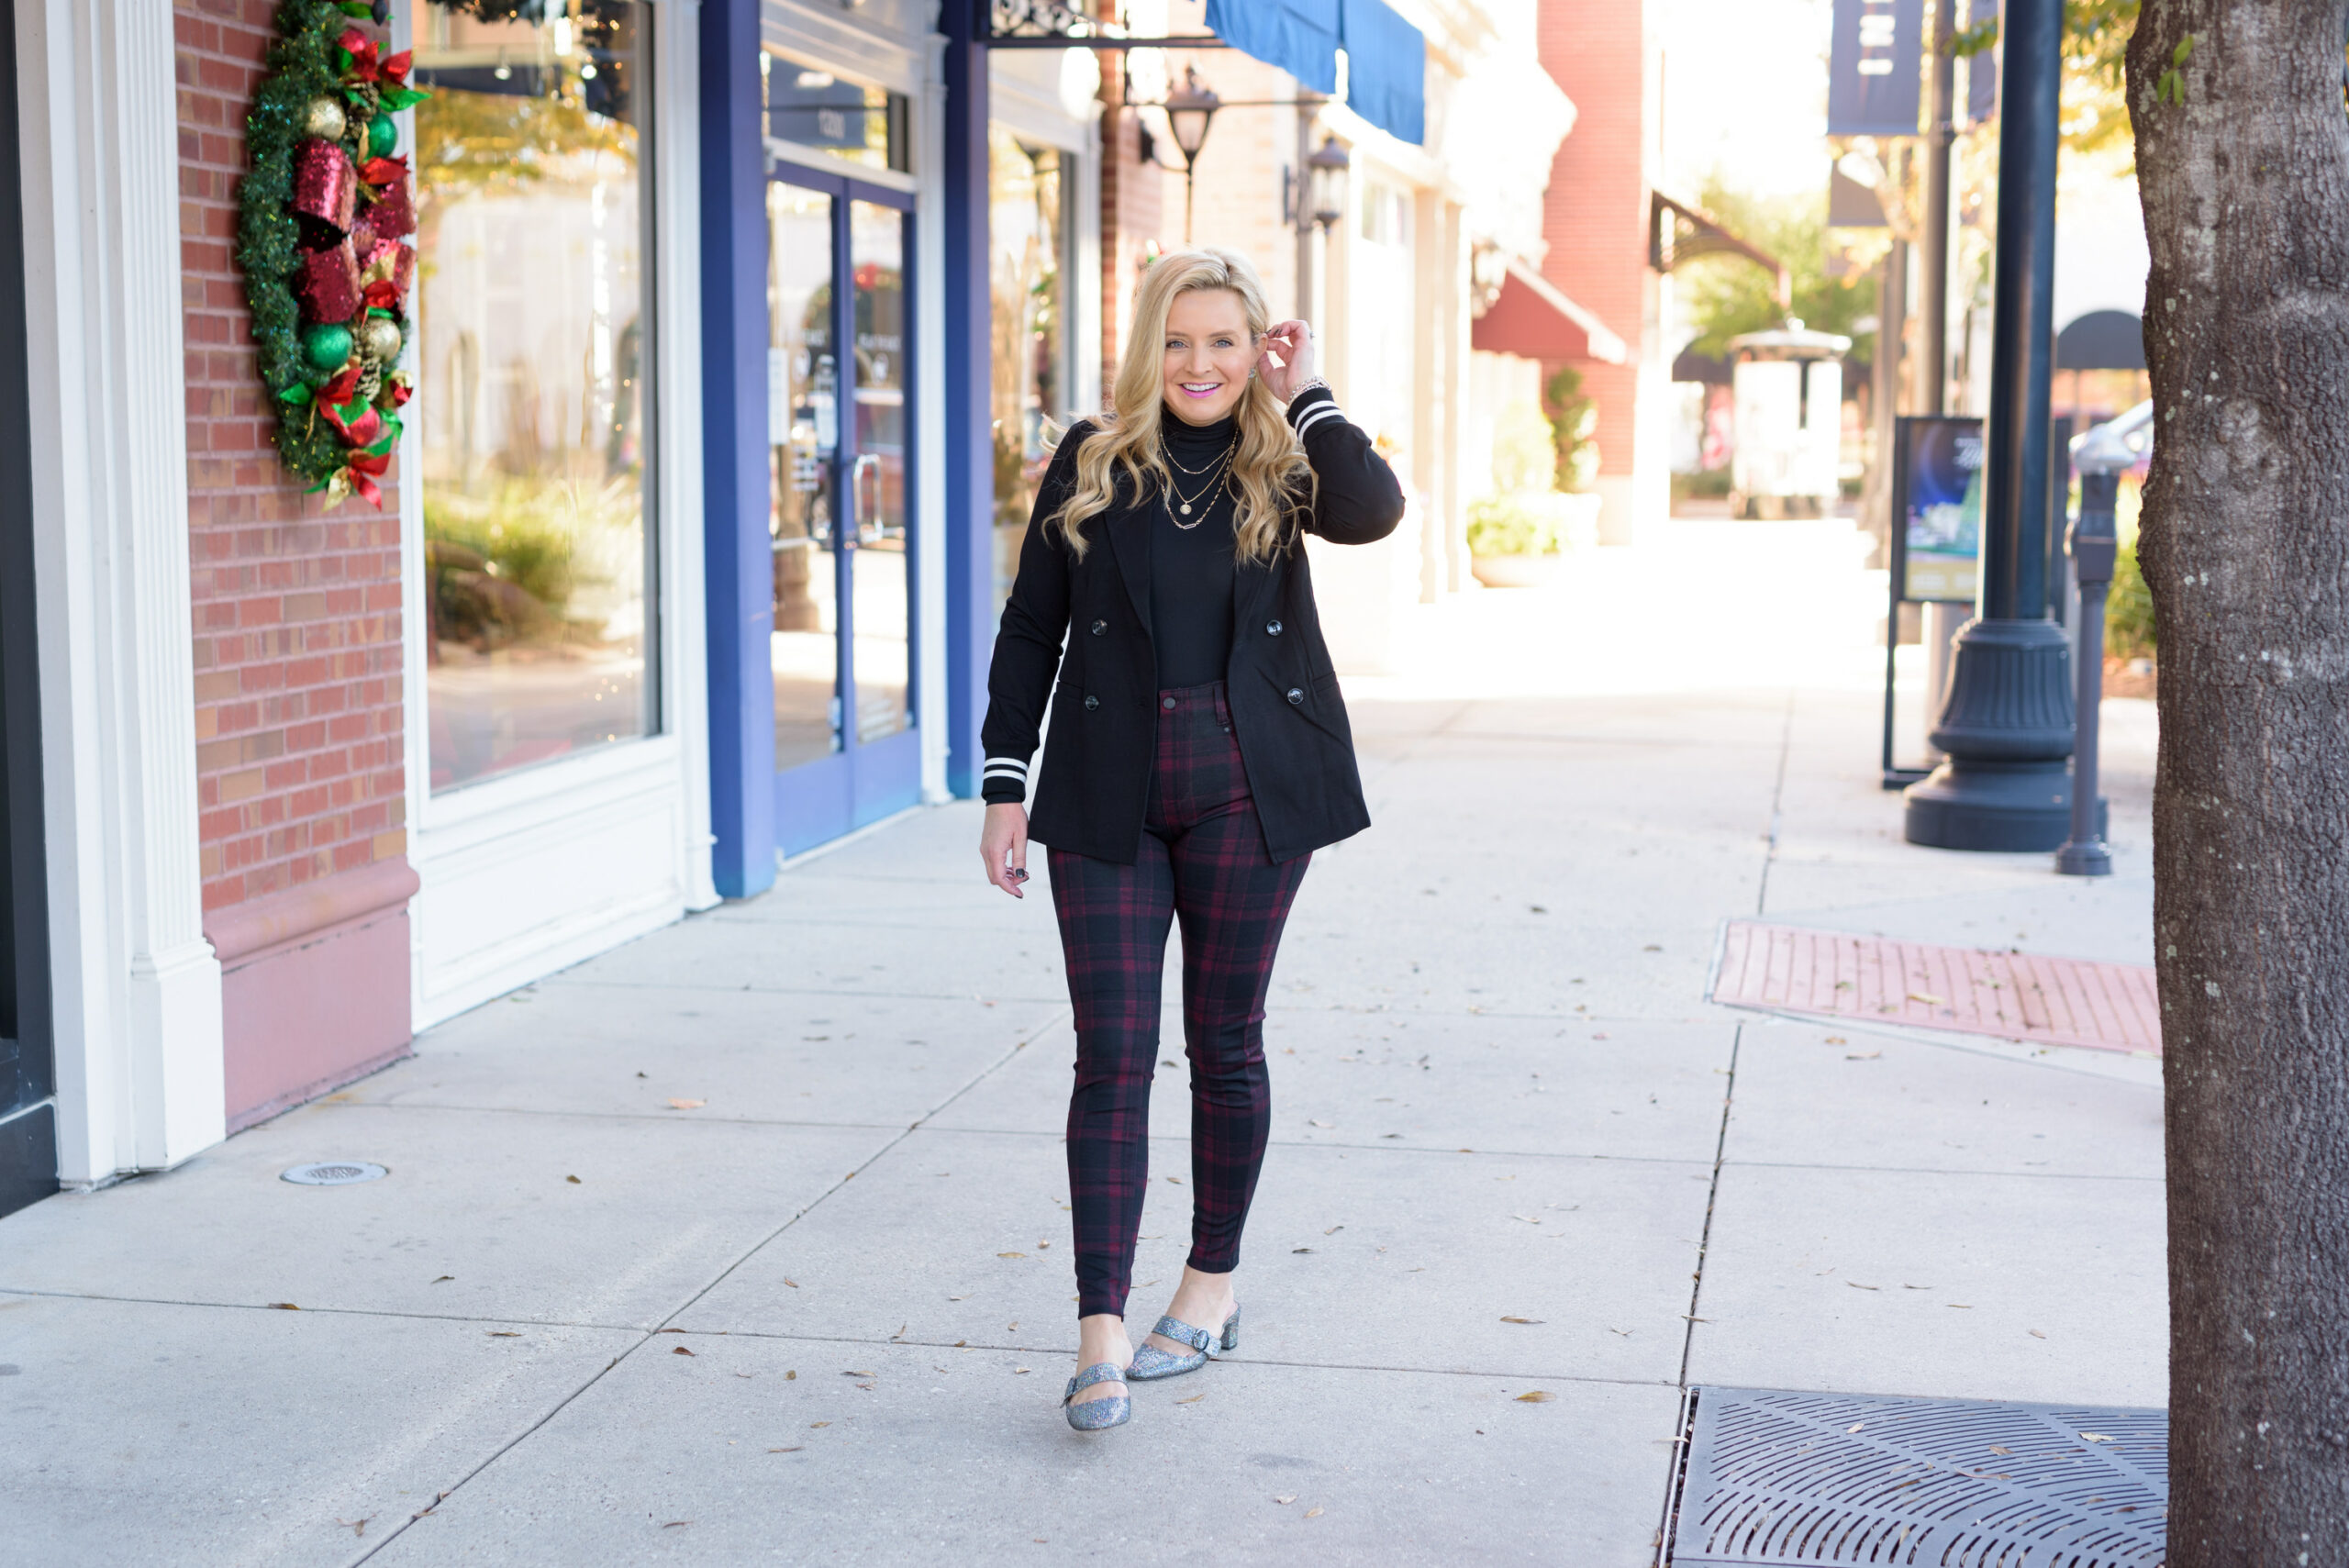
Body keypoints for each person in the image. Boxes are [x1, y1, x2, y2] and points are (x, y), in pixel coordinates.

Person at [975, 247, 1405, 1431]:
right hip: (1108, 784)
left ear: (1253, 349)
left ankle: (1209, 1285)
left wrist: (1306, 392)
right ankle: (1098, 1328)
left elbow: (1376, 509)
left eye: (1225, 341)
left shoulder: (1286, 459)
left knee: (1223, 1039)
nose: (1199, 363)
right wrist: (1005, 780)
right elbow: (1030, 630)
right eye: (1178, 339)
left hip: (1249, 784)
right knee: (1110, 1050)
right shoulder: (1092, 459)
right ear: (1145, 348)